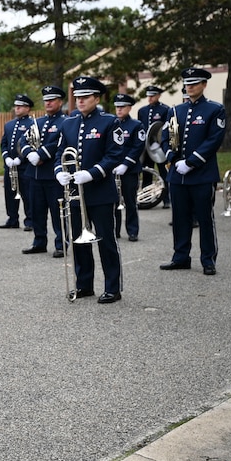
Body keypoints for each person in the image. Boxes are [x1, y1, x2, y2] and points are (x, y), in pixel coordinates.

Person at [54, 76, 125, 304]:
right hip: (75, 193)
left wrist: (92, 173)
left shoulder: (110, 122)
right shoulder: (68, 123)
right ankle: (84, 285)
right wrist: (59, 172)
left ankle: (113, 288)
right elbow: (59, 154)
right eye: (77, 97)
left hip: (101, 192)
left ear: (96, 98)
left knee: (106, 242)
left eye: (85, 97)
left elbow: (115, 155)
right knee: (78, 241)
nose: (80, 101)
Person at [159, 67, 226, 276]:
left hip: (202, 174)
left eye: (194, 83)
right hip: (178, 174)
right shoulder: (176, 110)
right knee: (180, 217)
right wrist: (172, 157)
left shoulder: (215, 109)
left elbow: (214, 139)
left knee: (205, 218)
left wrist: (192, 162)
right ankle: (180, 257)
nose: (190, 87)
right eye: (187, 84)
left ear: (204, 85)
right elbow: (168, 138)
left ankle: (208, 259)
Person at [19, 85, 67, 257]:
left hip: (52, 175)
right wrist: (29, 154)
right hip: (34, 175)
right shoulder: (37, 122)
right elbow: (23, 141)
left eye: (52, 100)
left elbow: (59, 143)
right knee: (36, 210)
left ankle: (62, 244)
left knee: (57, 211)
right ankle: (39, 242)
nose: (48, 103)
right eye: (46, 100)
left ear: (60, 102)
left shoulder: (66, 122)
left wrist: (40, 155)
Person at [112, 94, 146, 241]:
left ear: (129, 108)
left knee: (130, 201)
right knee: (113, 201)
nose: (119, 109)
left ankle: (132, 231)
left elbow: (138, 147)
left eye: (122, 107)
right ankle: (115, 230)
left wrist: (125, 164)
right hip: (112, 170)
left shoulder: (136, 125)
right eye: (117, 107)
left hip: (129, 170)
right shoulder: (110, 124)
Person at [0, 94, 34, 230]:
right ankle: (12, 218)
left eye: (21, 106)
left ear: (28, 108)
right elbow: (4, 143)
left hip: (24, 166)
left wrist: (20, 159)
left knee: (27, 193)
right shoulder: (9, 125)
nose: (17, 108)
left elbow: (32, 143)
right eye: (16, 106)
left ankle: (30, 220)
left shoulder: (31, 124)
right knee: (10, 192)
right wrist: (6, 157)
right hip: (9, 166)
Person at [137, 85, 171, 208]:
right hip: (146, 147)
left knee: (163, 173)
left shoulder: (165, 109)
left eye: (152, 96)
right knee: (147, 172)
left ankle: (166, 199)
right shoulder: (142, 111)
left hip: (158, 147)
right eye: (148, 96)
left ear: (158, 95)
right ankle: (146, 199)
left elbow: (164, 128)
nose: (150, 98)